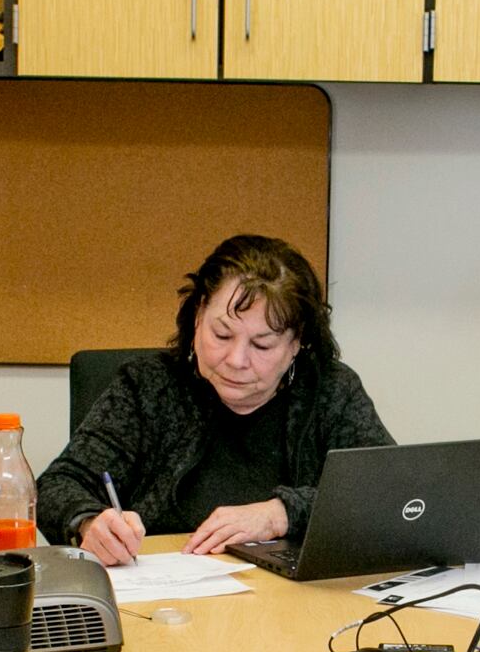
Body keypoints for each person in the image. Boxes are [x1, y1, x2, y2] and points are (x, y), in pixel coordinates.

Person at [39, 234, 392, 565]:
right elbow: (56, 487)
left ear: (296, 344)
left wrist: (281, 514)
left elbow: (391, 494)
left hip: (297, 609)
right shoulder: (148, 386)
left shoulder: (330, 391)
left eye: (262, 345)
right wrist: (87, 522)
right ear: (197, 317)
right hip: (167, 609)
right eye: (222, 334)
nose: (237, 360)